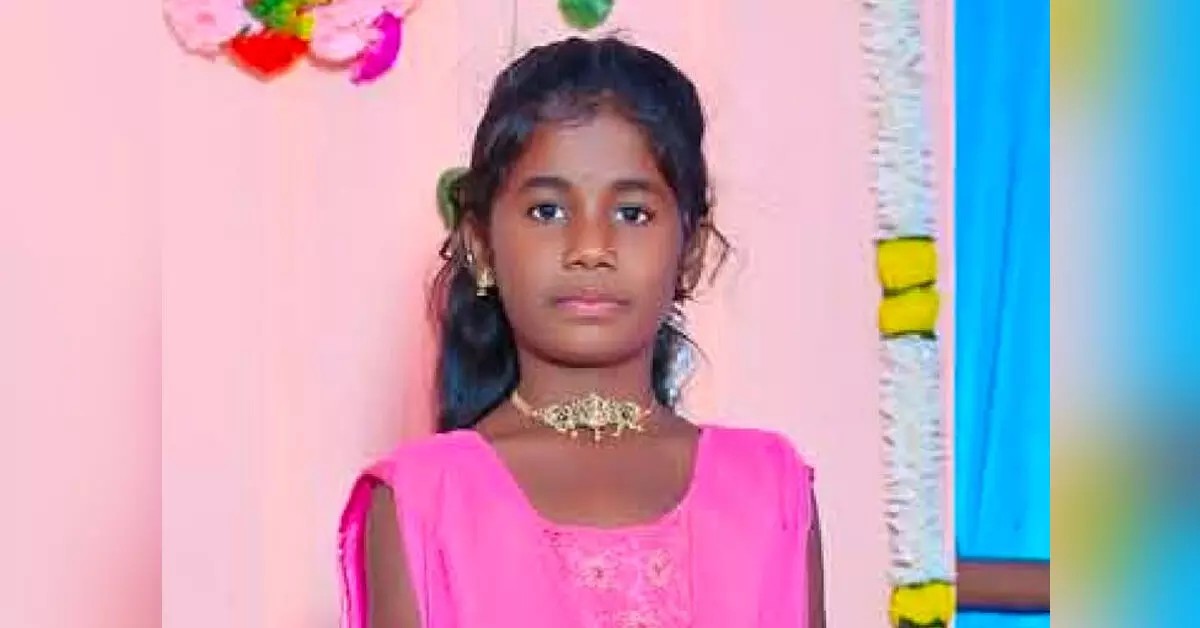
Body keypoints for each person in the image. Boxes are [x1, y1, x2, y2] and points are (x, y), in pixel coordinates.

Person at [337, 36, 825, 628]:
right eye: (548, 211)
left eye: (632, 213)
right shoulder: (421, 500)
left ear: (690, 255)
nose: (591, 248)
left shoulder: (769, 490)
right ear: (481, 246)